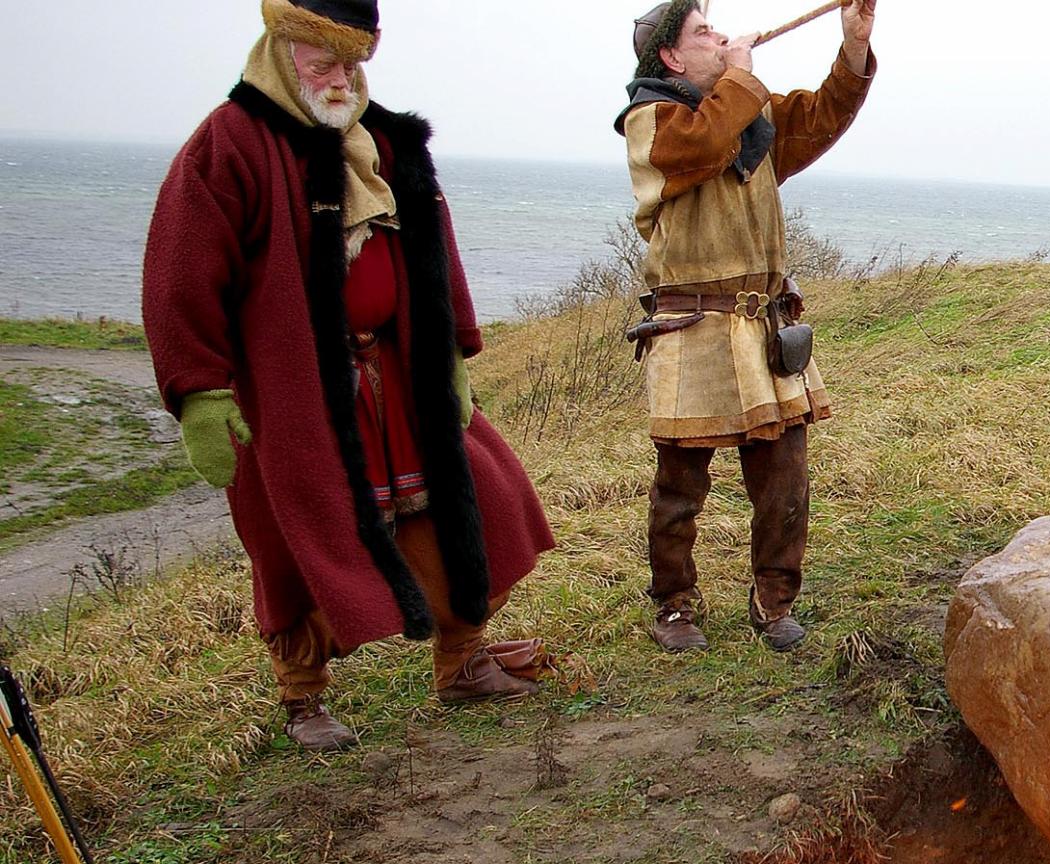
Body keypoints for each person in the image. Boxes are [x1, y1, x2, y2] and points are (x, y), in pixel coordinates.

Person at [143, 0, 558, 752]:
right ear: (281, 49)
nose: (340, 79)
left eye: (351, 63)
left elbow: (436, 249)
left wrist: (454, 355)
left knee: (480, 499)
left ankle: (461, 658)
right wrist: (200, 393)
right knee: (296, 538)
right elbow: (181, 276)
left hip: (400, 375)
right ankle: (304, 698)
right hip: (292, 391)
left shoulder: (388, 141)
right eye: (322, 62)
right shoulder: (228, 145)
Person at [616, 0, 877, 653]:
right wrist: (742, 72)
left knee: (785, 474)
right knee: (680, 485)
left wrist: (851, 47)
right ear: (671, 58)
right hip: (690, 325)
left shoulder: (746, 112)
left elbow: (821, 117)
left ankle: (774, 601)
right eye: (704, 32)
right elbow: (703, 141)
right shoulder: (652, 122)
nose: (723, 37)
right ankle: (674, 606)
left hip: (763, 323)